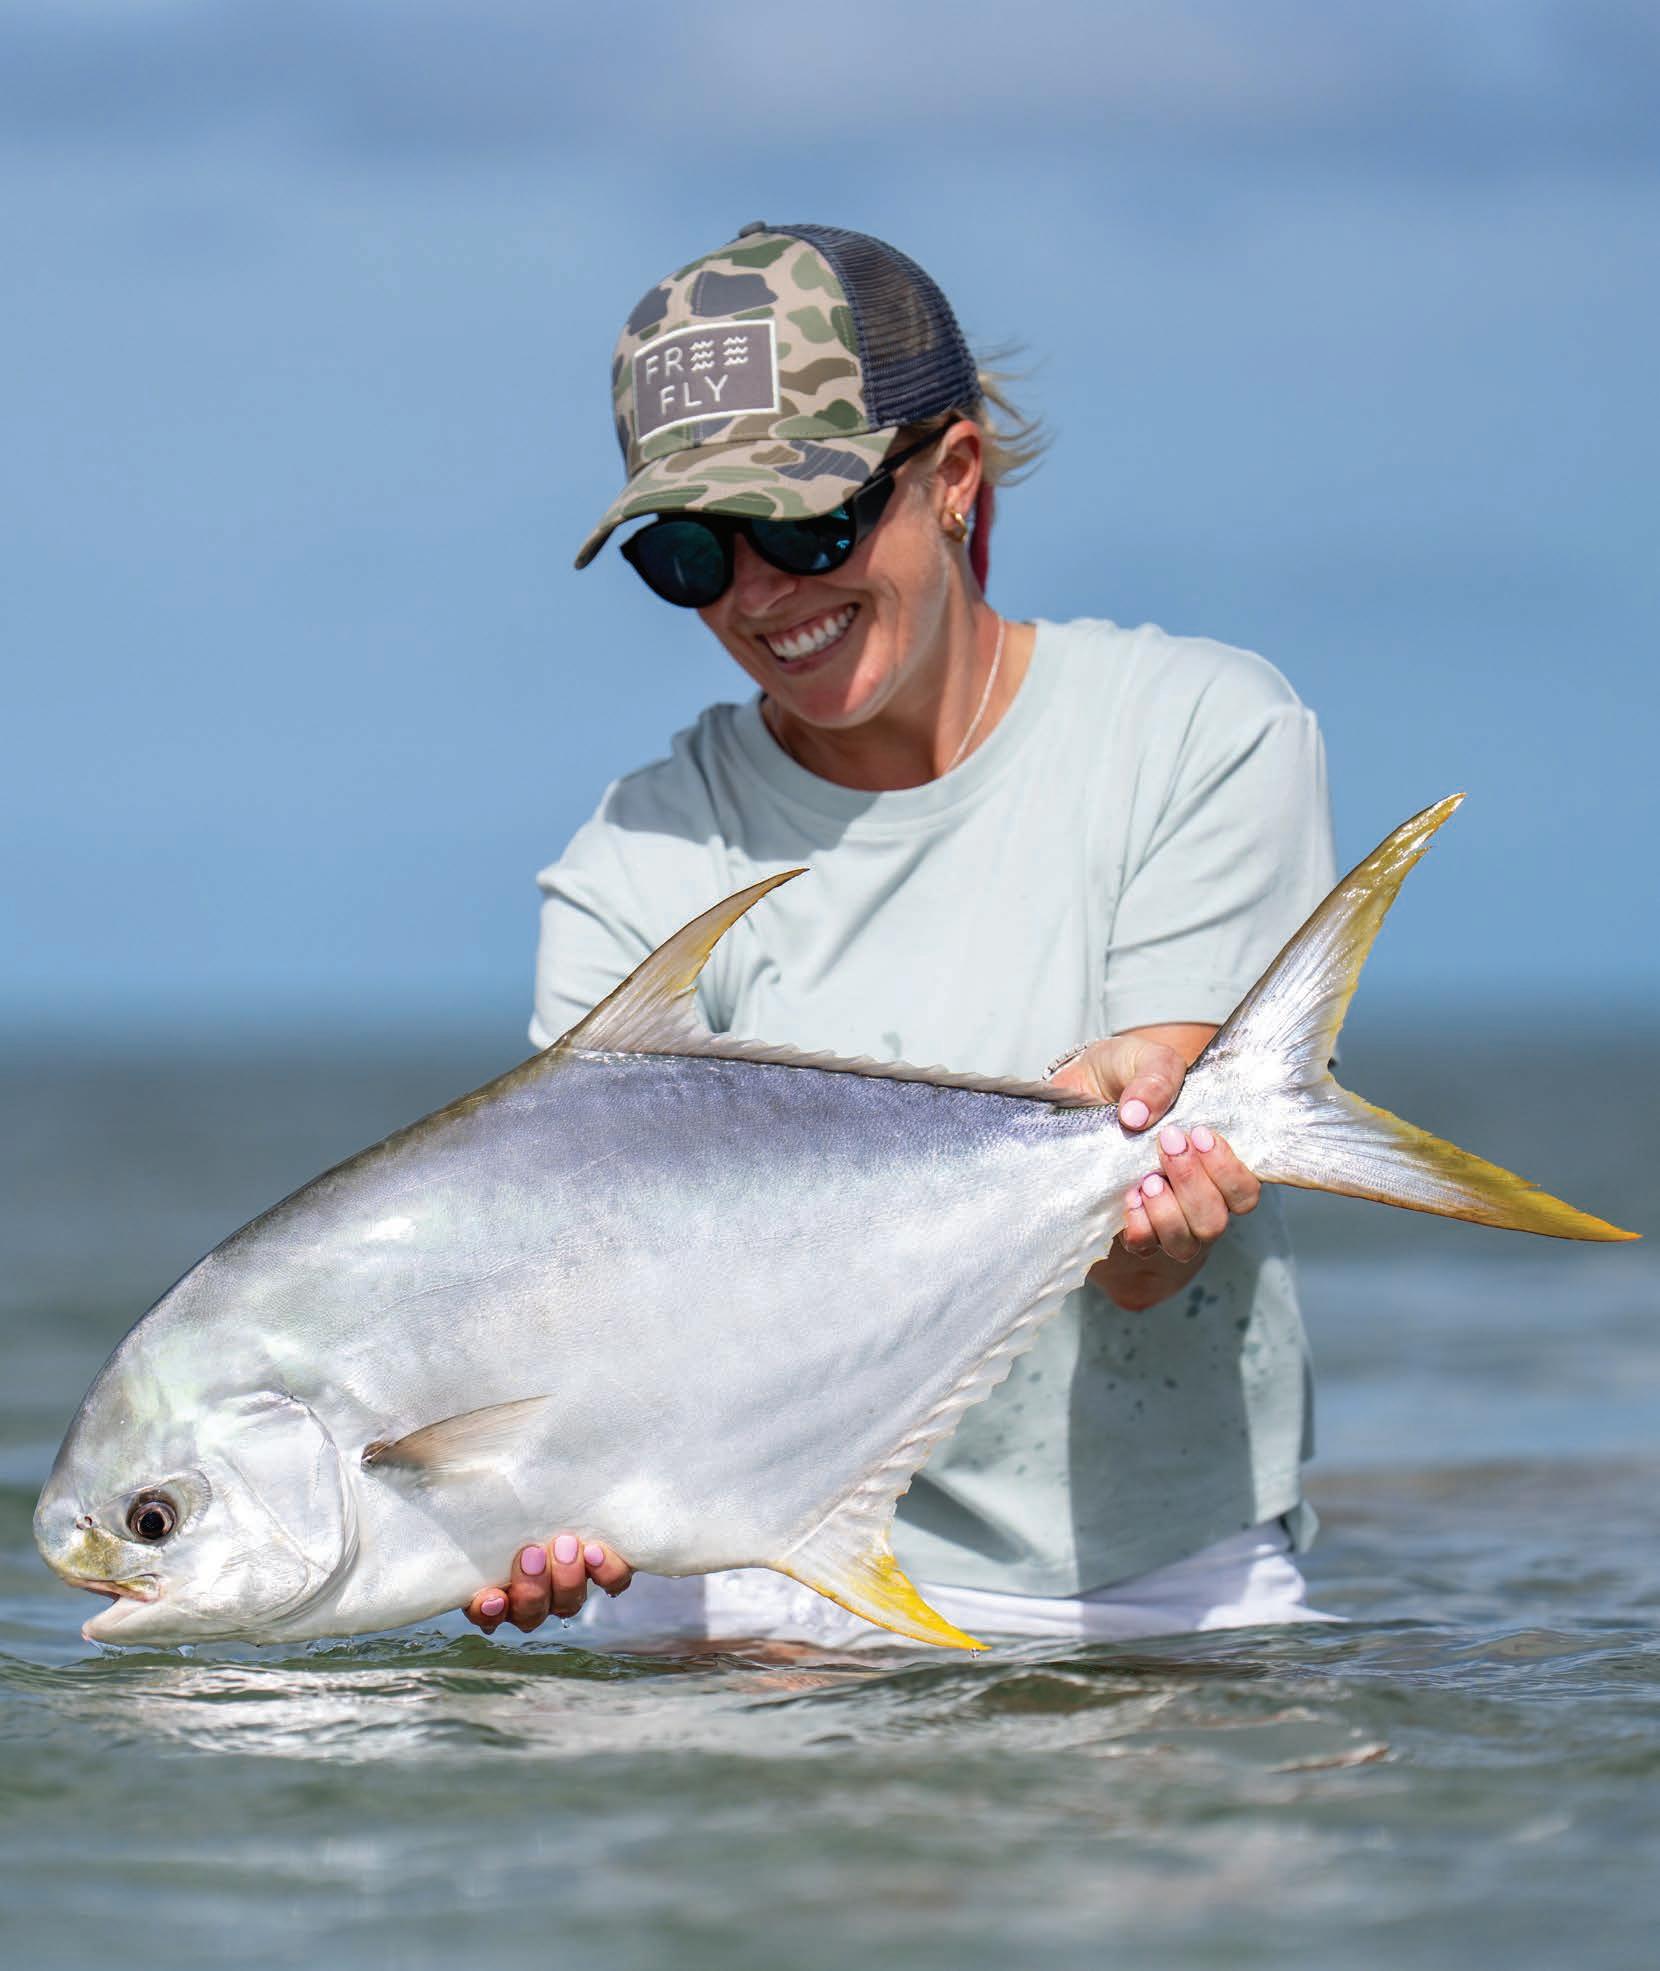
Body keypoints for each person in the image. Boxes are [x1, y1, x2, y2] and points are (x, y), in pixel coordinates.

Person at [462, 222, 1337, 1647]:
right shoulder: (640, 856)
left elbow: (1147, 1252)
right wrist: (514, 1498)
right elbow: (588, 1274)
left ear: (953, 476)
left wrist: (1144, 1214)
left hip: (1148, 1594)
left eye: (807, 524)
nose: (758, 594)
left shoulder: (1200, 737)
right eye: (688, 553)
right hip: (740, 1590)